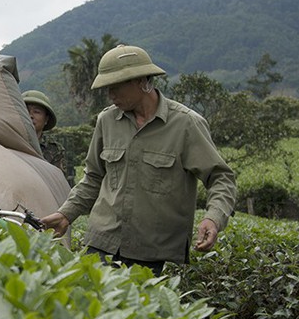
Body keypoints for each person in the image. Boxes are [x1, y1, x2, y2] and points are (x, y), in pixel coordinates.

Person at [40, 45, 237, 276]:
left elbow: (221, 178)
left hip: (153, 251)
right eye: (107, 88)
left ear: (142, 81)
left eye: (116, 86)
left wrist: (213, 219)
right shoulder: (107, 120)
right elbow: (94, 176)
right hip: (102, 242)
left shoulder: (186, 124)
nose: (111, 95)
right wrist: (66, 214)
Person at [22, 89, 68, 177]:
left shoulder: (55, 149)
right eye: (25, 110)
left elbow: (58, 181)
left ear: (46, 119)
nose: (30, 116)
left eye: (36, 112)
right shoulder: (8, 142)